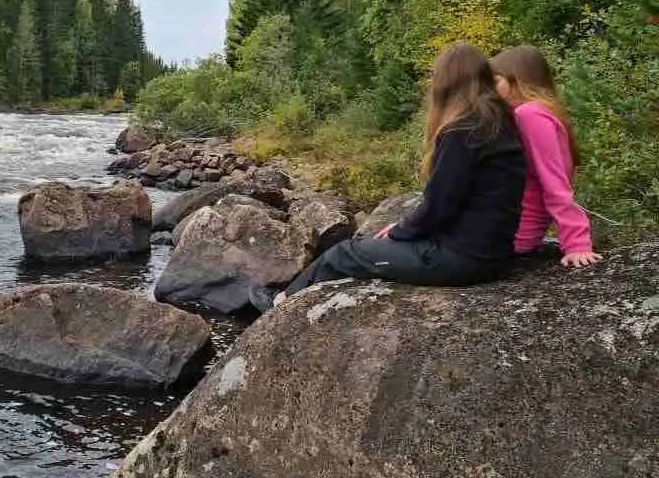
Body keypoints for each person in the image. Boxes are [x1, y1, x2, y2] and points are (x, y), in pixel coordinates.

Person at [252, 42, 527, 312]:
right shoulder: (499, 121)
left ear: (446, 84)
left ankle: (282, 302)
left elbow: (439, 206)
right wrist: (405, 230)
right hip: (490, 253)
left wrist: (399, 231)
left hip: (462, 259)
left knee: (345, 253)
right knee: (372, 244)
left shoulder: (463, 130)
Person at [490, 45, 601, 268]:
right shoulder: (540, 111)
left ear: (517, 79)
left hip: (513, 234)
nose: (489, 89)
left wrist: (577, 243)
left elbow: (554, 182)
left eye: (495, 80)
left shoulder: (529, 114)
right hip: (513, 229)